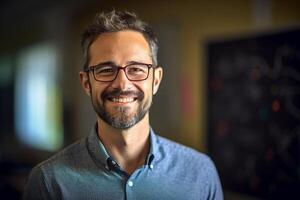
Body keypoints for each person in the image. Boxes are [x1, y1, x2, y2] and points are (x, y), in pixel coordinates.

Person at [23, 10, 223, 200]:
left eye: (136, 69)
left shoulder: (200, 172)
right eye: (106, 70)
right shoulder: (48, 181)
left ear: (155, 80)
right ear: (86, 83)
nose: (122, 84)